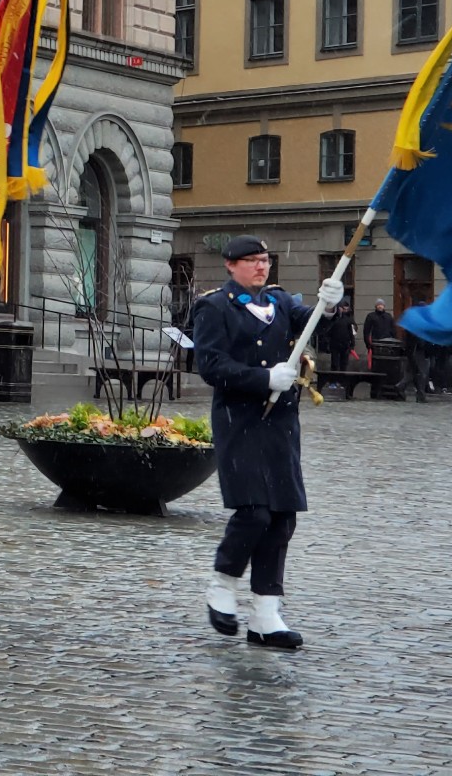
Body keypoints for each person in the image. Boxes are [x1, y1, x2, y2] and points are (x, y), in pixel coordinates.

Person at [193, 236, 343, 652]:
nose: (261, 267)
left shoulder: (279, 302)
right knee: (254, 512)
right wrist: (262, 378)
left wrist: (328, 305)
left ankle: (265, 614)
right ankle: (221, 585)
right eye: (251, 261)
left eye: (264, 260)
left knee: (281, 518)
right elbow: (210, 365)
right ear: (230, 265)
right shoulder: (214, 306)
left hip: (279, 422)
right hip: (240, 419)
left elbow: (312, 322)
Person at [322, 298, 356, 374]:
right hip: (335, 344)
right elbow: (327, 331)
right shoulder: (333, 318)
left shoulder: (349, 319)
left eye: (346, 308)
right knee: (335, 364)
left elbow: (352, 332)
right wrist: (327, 343)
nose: (345, 310)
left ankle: (342, 381)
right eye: (343, 308)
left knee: (343, 364)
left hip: (345, 344)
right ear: (339, 308)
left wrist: (352, 344)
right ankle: (334, 381)